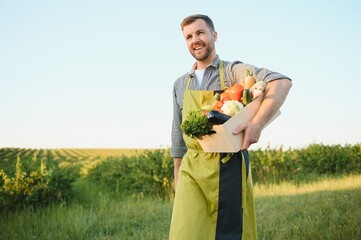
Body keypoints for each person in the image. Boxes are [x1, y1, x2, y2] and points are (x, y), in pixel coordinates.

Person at [169, 14, 292, 240]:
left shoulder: (232, 72)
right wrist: (177, 173)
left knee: (229, 233)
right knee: (184, 232)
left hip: (228, 166)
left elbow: (281, 81)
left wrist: (258, 123)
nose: (195, 39)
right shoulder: (179, 84)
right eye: (188, 36)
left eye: (200, 33)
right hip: (191, 168)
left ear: (214, 36)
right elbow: (178, 132)